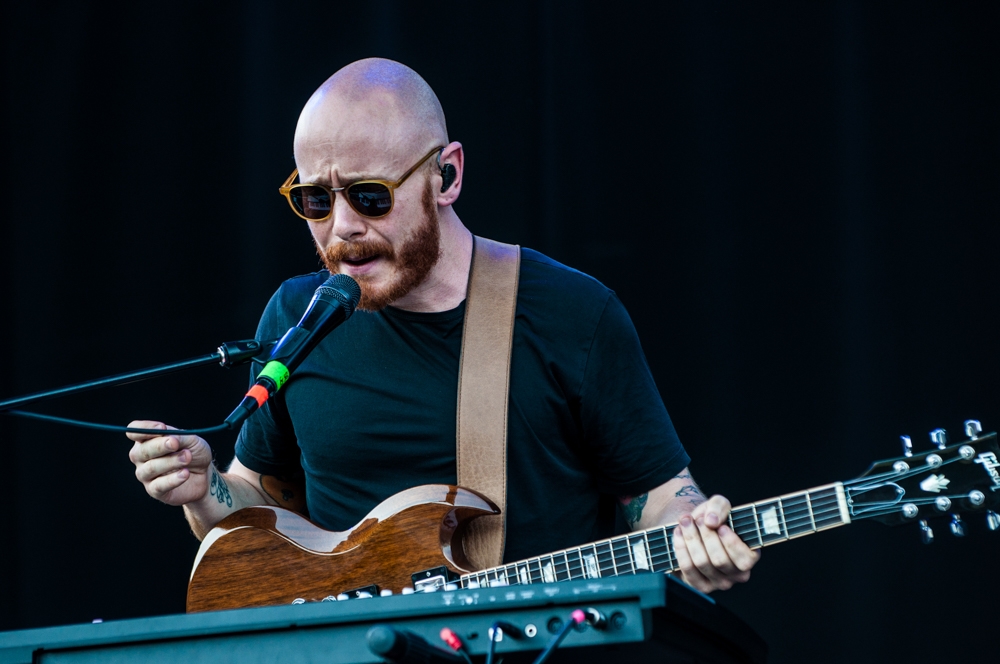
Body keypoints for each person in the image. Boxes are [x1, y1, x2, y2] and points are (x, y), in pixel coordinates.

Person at [127, 58, 759, 594]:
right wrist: (203, 486)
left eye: (370, 196)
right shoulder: (297, 315)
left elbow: (657, 493)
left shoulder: (571, 312)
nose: (341, 227)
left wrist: (692, 533)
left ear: (446, 175)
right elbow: (261, 505)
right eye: (316, 200)